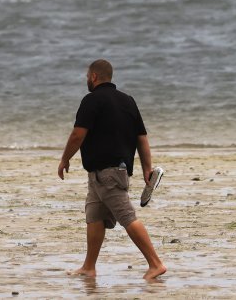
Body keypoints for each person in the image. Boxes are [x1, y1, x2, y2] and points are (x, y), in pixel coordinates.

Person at [57, 59, 167, 281]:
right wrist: (147, 168)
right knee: (94, 216)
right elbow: (141, 138)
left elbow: (78, 134)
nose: (86, 79)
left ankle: (155, 263)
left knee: (127, 216)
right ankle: (89, 267)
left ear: (94, 77)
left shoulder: (91, 100)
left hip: (108, 173)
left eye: (87, 76)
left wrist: (64, 159)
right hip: (104, 173)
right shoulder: (127, 101)